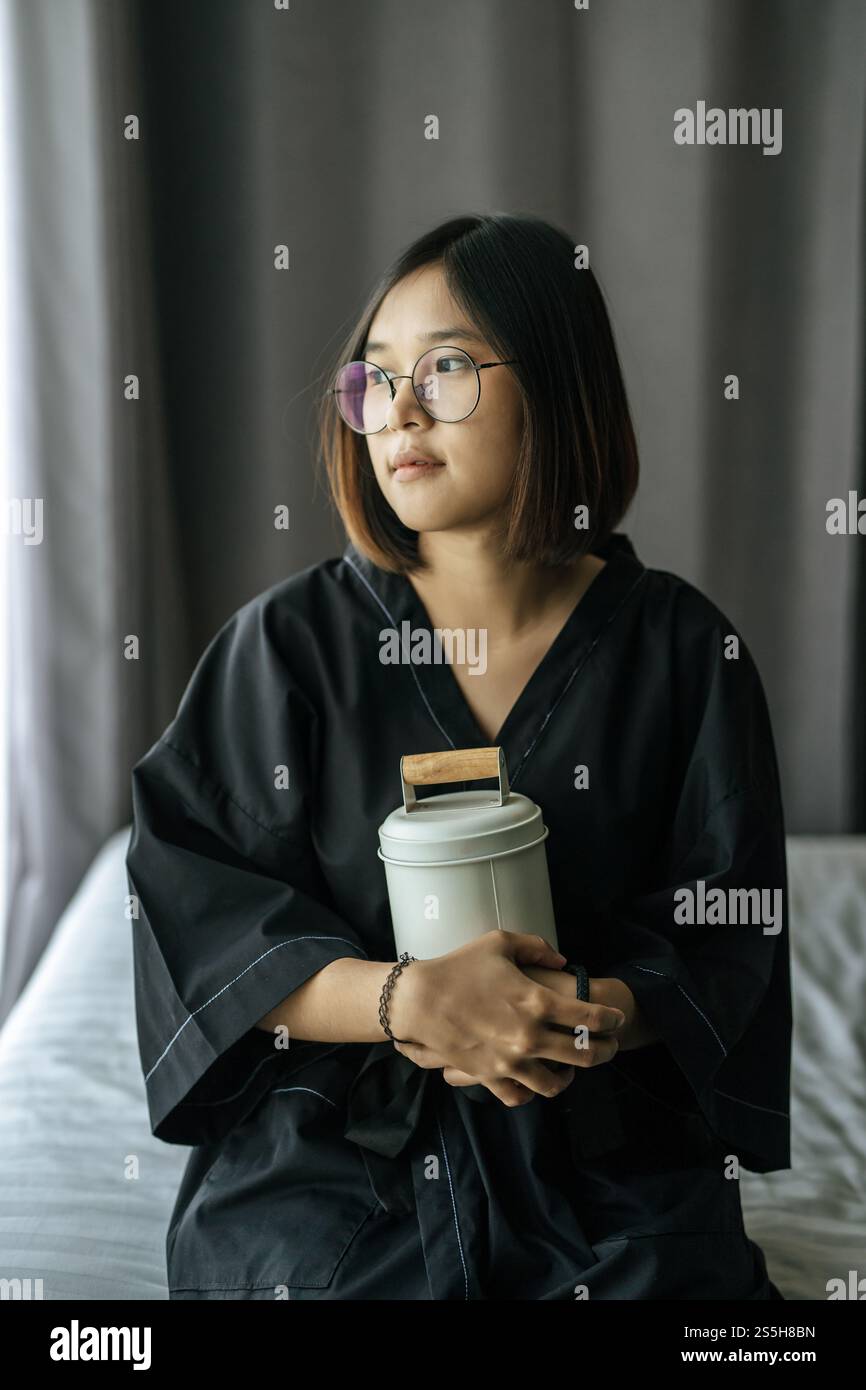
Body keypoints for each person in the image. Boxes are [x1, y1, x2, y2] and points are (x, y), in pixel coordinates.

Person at [126, 212, 791, 1300]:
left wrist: (571, 1017)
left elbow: (722, 933)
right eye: (374, 378)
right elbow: (200, 918)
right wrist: (407, 1004)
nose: (397, 411)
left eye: (444, 367)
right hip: (336, 1159)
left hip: (603, 1153)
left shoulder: (680, 650)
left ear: (559, 385)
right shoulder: (286, 648)